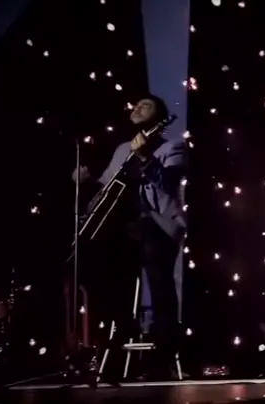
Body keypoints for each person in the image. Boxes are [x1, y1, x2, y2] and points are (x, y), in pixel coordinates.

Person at [73, 95, 186, 380]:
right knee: (90, 262)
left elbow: (168, 184)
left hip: (158, 226)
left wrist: (147, 157)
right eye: (135, 105)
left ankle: (164, 351)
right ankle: (120, 332)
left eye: (145, 105)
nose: (137, 108)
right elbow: (106, 188)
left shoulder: (172, 147)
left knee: (157, 270)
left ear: (159, 117)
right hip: (125, 230)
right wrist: (85, 182)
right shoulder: (123, 149)